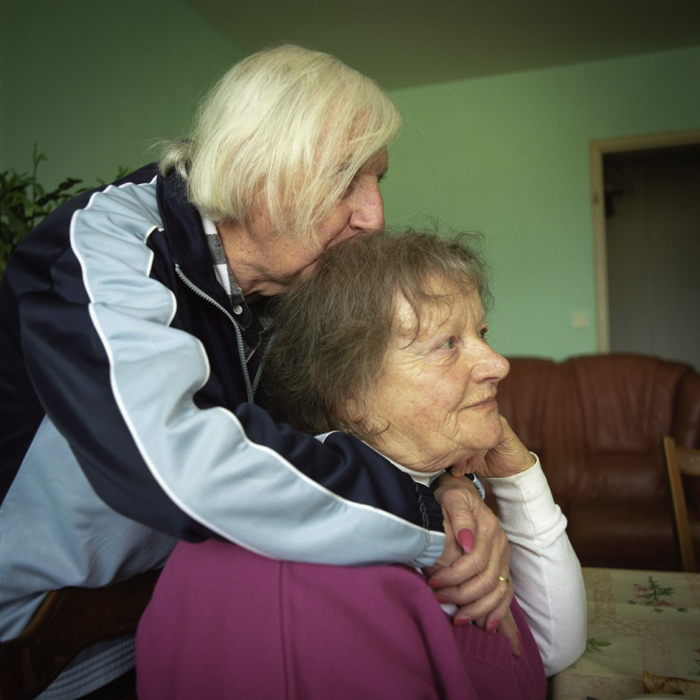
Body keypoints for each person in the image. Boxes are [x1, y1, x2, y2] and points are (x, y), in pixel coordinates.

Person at [0, 46, 513, 699]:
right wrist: (418, 516)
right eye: (346, 179)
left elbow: (365, 415)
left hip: (173, 618)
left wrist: (448, 488)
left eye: (378, 179)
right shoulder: (110, 242)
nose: (375, 215)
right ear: (254, 169)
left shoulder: (290, 281)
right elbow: (176, 462)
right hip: (41, 649)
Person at [135, 230, 587, 699]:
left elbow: (547, 652)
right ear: (349, 394)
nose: (498, 364)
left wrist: (517, 476)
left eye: (482, 333)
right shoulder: (312, 577)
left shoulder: (431, 493)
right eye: (447, 344)